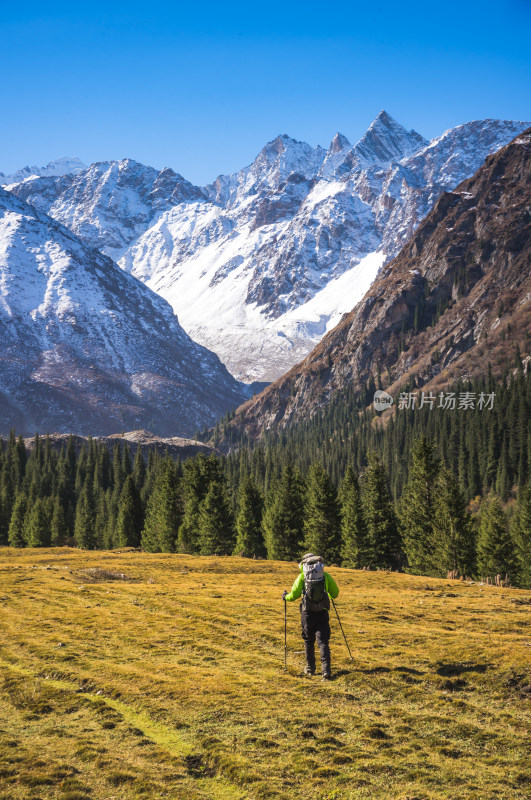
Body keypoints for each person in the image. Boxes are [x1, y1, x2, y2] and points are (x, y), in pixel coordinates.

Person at [282, 553, 339, 680]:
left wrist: (285, 596)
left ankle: (310, 668)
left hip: (307, 613)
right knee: (323, 641)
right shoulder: (324, 575)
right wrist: (327, 596)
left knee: (308, 641)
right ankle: (326, 670)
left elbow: (294, 595)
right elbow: (335, 593)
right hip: (323, 612)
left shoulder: (302, 576)